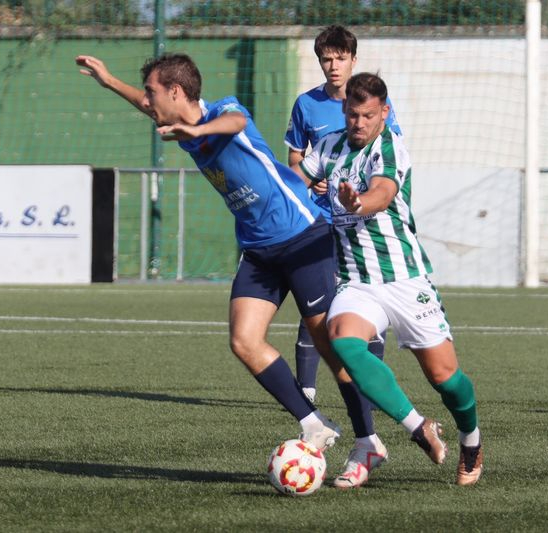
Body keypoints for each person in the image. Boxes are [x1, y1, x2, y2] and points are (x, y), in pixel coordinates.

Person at [74, 52, 445, 488]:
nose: (149, 103)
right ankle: (313, 424)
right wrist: (109, 79)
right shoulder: (180, 124)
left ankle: (370, 439)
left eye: (154, 93)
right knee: (244, 340)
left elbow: (231, 125)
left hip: (303, 237)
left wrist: (195, 130)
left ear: (176, 92)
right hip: (259, 249)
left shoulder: (224, 111)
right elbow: (145, 104)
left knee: (331, 346)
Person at [295, 72, 484, 486]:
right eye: (351, 115)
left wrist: (358, 202)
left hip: (405, 280)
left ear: (383, 113)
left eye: (367, 115)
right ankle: (419, 427)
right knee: (343, 340)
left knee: (445, 379)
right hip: (356, 281)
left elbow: (381, 192)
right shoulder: (327, 147)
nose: (358, 123)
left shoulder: (390, 148)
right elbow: (294, 180)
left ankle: (471, 440)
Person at [285, 25, 401, 405]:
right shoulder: (306, 104)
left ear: (353, 59)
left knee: (370, 299)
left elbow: (388, 149)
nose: (333, 66)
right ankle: (307, 391)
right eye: (326, 59)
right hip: (320, 219)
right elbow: (297, 157)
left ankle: (368, 386)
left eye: (340, 58)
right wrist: (312, 178)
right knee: (315, 299)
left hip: (363, 220)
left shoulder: (373, 104)